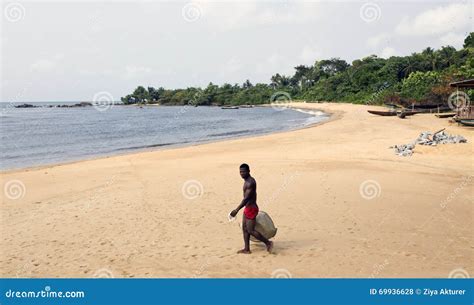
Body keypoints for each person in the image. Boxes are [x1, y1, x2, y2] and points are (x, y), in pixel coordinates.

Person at [230, 163, 273, 254]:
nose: (242, 173)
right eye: (240, 172)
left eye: (244, 171)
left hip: (251, 208)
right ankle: (247, 249)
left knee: (251, 230)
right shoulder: (246, 181)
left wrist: (236, 210)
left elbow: (246, 198)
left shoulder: (250, 182)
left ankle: (268, 243)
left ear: (249, 171)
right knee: (244, 229)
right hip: (247, 207)